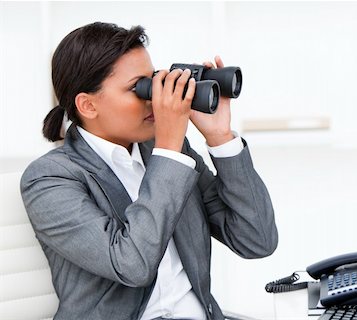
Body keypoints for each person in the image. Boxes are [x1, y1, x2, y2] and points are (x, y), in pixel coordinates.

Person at [20, 22, 278, 320]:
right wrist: (168, 149)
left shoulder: (169, 152)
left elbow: (256, 239)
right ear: (88, 105)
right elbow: (132, 265)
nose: (154, 97)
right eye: (138, 87)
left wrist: (220, 138)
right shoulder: (49, 178)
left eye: (154, 80)